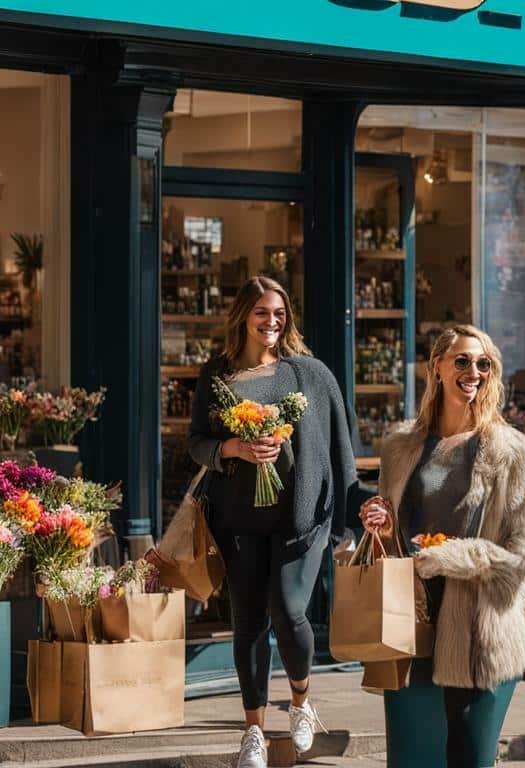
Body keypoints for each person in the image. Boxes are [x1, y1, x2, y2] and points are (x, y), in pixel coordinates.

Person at [187, 276, 358, 768]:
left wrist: (347, 517)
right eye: (262, 312)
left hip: (298, 518)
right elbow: (196, 441)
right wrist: (230, 448)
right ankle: (254, 732)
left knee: (288, 609)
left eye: (279, 313)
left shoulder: (308, 373)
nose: (272, 321)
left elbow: (340, 446)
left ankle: (301, 702)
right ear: (243, 315)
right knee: (248, 624)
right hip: (237, 519)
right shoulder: (216, 376)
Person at [359, 324, 525, 768]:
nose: (474, 371)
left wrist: (458, 557)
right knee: (412, 754)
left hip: (481, 619)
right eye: (462, 361)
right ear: (438, 368)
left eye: (484, 363)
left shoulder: (510, 450)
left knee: (469, 752)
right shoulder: (401, 447)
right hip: (412, 614)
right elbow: (395, 539)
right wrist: (381, 528)